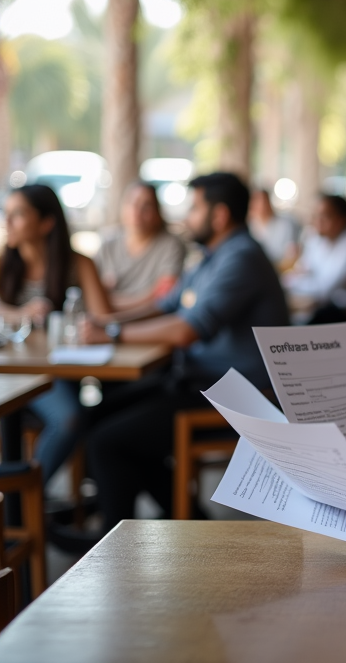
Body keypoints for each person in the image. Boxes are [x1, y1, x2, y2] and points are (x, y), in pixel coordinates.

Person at [82, 172, 289, 527]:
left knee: (108, 442)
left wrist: (113, 335)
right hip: (201, 381)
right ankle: (187, 517)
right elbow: (167, 304)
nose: (186, 216)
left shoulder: (241, 258)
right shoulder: (212, 256)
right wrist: (107, 322)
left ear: (219, 215)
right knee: (91, 419)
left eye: (194, 208)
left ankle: (114, 549)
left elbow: (187, 330)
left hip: (238, 398)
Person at [0, 185, 112, 483]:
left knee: (69, 419)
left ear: (47, 222)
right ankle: (21, 513)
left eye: (18, 214)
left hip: (55, 373)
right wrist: (20, 312)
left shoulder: (78, 263)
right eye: (6, 213)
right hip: (10, 373)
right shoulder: (4, 263)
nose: (7, 222)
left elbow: (104, 318)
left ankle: (24, 507)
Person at [94, 181, 186, 311]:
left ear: (157, 212)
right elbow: (91, 289)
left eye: (146, 206)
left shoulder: (170, 245)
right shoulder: (108, 244)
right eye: (133, 203)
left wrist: (110, 303)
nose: (138, 212)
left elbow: (163, 294)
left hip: (150, 319)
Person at [248, 188, 300, 271]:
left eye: (263, 200)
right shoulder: (249, 227)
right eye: (256, 201)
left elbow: (291, 255)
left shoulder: (285, 224)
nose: (261, 205)